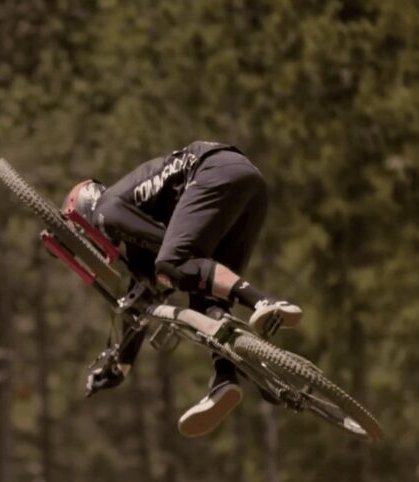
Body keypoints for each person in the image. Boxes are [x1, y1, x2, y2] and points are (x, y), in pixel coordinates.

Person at [63, 141, 302, 437]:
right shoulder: (134, 215)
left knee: (173, 264)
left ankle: (264, 302)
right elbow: (141, 299)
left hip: (214, 171)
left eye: (84, 240)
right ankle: (225, 378)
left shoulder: (107, 209)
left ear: (86, 213)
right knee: (203, 295)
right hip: (249, 184)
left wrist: (164, 273)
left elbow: (166, 256)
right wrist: (121, 366)